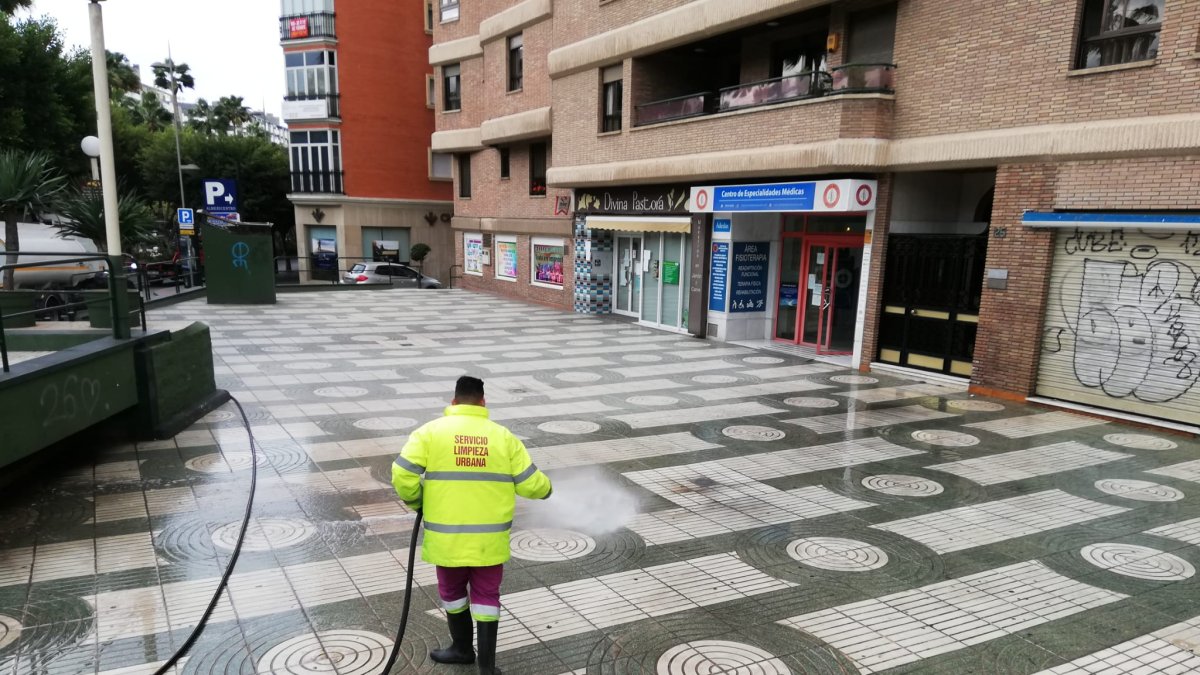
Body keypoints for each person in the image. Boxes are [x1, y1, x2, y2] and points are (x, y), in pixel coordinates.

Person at [392, 376, 552, 675]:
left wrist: (418, 502)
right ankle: (487, 669)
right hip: (488, 542)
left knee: (452, 592)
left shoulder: (430, 433)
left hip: (446, 539)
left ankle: (462, 648)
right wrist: (547, 490)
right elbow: (532, 485)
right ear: (483, 402)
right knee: (487, 597)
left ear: (453, 402)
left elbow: (401, 475)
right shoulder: (503, 437)